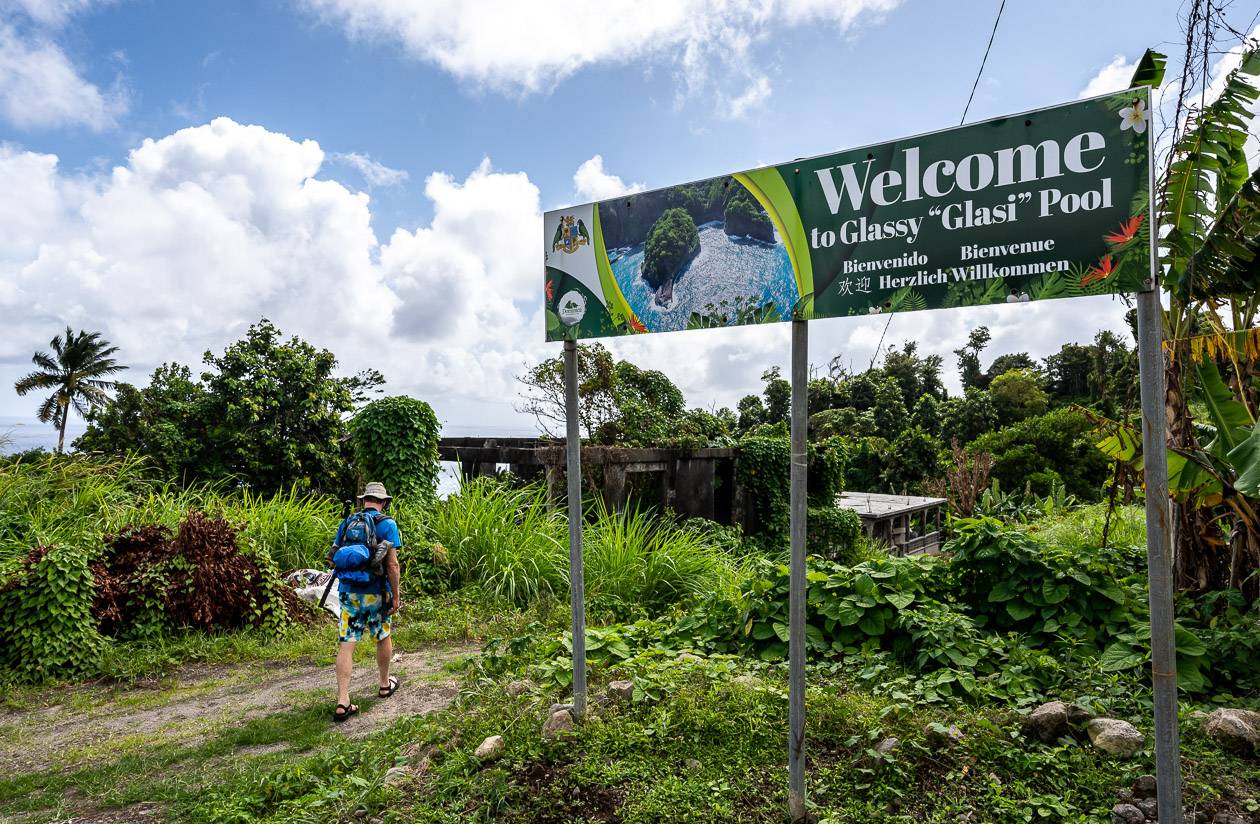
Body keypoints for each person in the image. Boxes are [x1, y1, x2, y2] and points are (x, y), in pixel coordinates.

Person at [330, 481, 402, 722]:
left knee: (346, 643)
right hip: (376, 593)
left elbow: (334, 557)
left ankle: (343, 701)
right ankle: (384, 684)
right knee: (382, 636)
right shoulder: (388, 525)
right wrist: (396, 595)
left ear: (363, 501)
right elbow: (392, 565)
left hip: (349, 592)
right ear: (383, 502)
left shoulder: (347, 523)